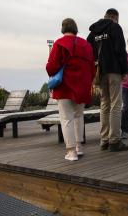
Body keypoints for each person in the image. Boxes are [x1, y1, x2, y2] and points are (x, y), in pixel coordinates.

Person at [46, 18, 95, 161]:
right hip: (82, 87)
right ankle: (79, 146)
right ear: (75, 28)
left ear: (63, 28)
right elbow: (92, 68)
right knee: (79, 116)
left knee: (67, 118)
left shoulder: (59, 43)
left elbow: (51, 67)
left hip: (65, 86)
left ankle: (71, 152)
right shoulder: (86, 45)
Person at [87, 8, 128, 151]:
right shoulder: (115, 27)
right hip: (114, 71)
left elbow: (88, 50)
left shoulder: (93, 32)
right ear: (115, 17)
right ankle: (115, 140)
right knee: (116, 105)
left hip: (100, 72)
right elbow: (120, 50)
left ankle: (104, 140)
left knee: (104, 104)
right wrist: (125, 70)